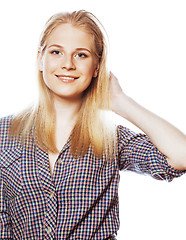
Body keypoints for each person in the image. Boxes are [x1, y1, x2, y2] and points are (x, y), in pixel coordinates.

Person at [0, 10, 186, 240]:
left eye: (81, 55)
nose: (67, 64)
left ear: (97, 67)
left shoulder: (111, 140)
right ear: (40, 58)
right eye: (56, 52)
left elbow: (182, 156)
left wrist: (121, 102)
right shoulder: (3, 133)